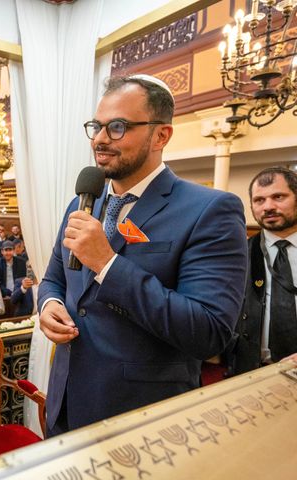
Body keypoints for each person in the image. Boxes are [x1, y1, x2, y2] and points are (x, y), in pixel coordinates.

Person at [38, 74, 247, 435]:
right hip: (67, 402)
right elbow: (55, 277)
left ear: (161, 135)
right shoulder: (83, 202)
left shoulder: (209, 210)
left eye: (117, 127)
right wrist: (49, 304)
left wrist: (108, 264)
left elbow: (210, 331)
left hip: (143, 417)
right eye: (97, 126)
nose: (101, 139)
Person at [228, 167, 297, 374]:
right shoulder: (238, 254)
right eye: (259, 200)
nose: (268, 207)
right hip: (252, 373)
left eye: (278, 197)